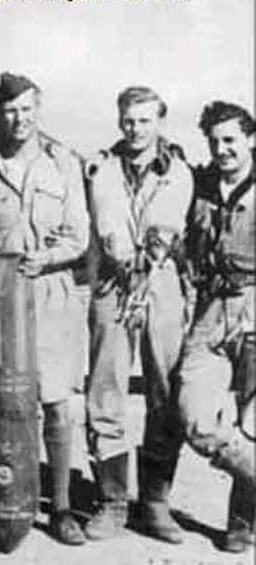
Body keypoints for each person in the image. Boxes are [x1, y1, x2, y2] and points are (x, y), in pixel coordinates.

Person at [0, 73, 91, 545]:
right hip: (1, 300)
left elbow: (79, 235)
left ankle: (60, 508)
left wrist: (48, 257)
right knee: (9, 404)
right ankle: (10, 498)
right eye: (10, 111)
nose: (18, 119)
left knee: (56, 403)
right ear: (1, 114)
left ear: (40, 110)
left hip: (50, 295)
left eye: (26, 109)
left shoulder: (63, 166)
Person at [85, 86, 194, 543]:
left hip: (161, 283)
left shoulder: (180, 173)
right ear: (119, 121)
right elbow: (109, 228)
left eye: (145, 121)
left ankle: (154, 501)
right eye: (129, 120)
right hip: (113, 283)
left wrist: (144, 272)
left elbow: (163, 231)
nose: (136, 129)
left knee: (165, 389)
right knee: (105, 388)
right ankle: (110, 501)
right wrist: (124, 262)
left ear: (159, 122)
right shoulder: (102, 170)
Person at [180, 101, 255, 553]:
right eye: (214, 141)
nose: (222, 149)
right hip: (210, 309)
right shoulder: (200, 185)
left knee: (252, 424)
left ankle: (242, 520)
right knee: (196, 418)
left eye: (230, 140)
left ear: (251, 139)